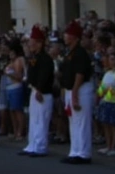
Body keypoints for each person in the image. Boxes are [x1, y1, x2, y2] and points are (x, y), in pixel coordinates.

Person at [60, 21, 95, 165]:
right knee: (73, 122)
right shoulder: (70, 53)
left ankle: (83, 153)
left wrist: (74, 93)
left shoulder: (80, 53)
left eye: (68, 34)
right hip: (71, 89)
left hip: (80, 89)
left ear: (74, 37)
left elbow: (80, 74)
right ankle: (75, 150)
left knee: (82, 122)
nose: (65, 36)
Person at [21, 26, 54, 158]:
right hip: (34, 90)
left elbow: (44, 75)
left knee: (41, 120)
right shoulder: (34, 57)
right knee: (34, 120)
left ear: (40, 43)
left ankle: (40, 147)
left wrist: (40, 88)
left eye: (33, 43)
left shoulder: (45, 59)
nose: (30, 45)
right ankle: (32, 145)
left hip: (43, 92)